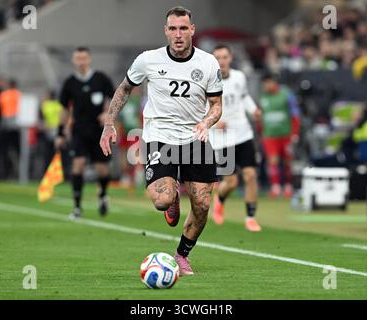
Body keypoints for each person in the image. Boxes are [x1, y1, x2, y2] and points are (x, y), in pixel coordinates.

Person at [99, 6, 223, 276]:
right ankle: (174, 195)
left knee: (202, 205)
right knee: (162, 201)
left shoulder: (208, 63)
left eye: (183, 28)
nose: (178, 34)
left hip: (195, 138)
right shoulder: (148, 60)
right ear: (166, 31)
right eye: (173, 29)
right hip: (160, 138)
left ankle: (182, 255)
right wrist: (109, 123)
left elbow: (216, 105)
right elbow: (125, 87)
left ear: (192, 30)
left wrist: (207, 121)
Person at [55, 47, 115, 219]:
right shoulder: (70, 83)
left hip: (99, 131)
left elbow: (115, 98)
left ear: (89, 59)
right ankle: (77, 208)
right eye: (78, 58)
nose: (81, 61)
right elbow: (64, 109)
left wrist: (108, 114)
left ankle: (103, 194)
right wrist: (60, 133)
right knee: (78, 164)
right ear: (74, 60)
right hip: (79, 130)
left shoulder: (101, 79)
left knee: (102, 169)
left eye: (84, 58)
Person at [209, 44, 261, 232]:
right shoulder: (208, 81)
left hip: (243, 132)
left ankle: (250, 217)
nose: (221, 61)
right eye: (217, 57)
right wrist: (215, 123)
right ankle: (220, 200)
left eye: (224, 57)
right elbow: (200, 110)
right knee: (231, 182)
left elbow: (244, 97)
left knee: (251, 175)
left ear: (230, 58)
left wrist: (253, 109)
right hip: (221, 138)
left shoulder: (239, 77)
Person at [259, 72, 300, 198]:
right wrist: (261, 132)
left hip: (285, 134)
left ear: (273, 82)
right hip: (270, 135)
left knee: (287, 161)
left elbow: (295, 115)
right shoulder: (263, 97)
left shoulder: (286, 94)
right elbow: (260, 117)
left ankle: (288, 186)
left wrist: (295, 133)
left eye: (267, 83)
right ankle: (275, 187)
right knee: (273, 160)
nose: (265, 86)